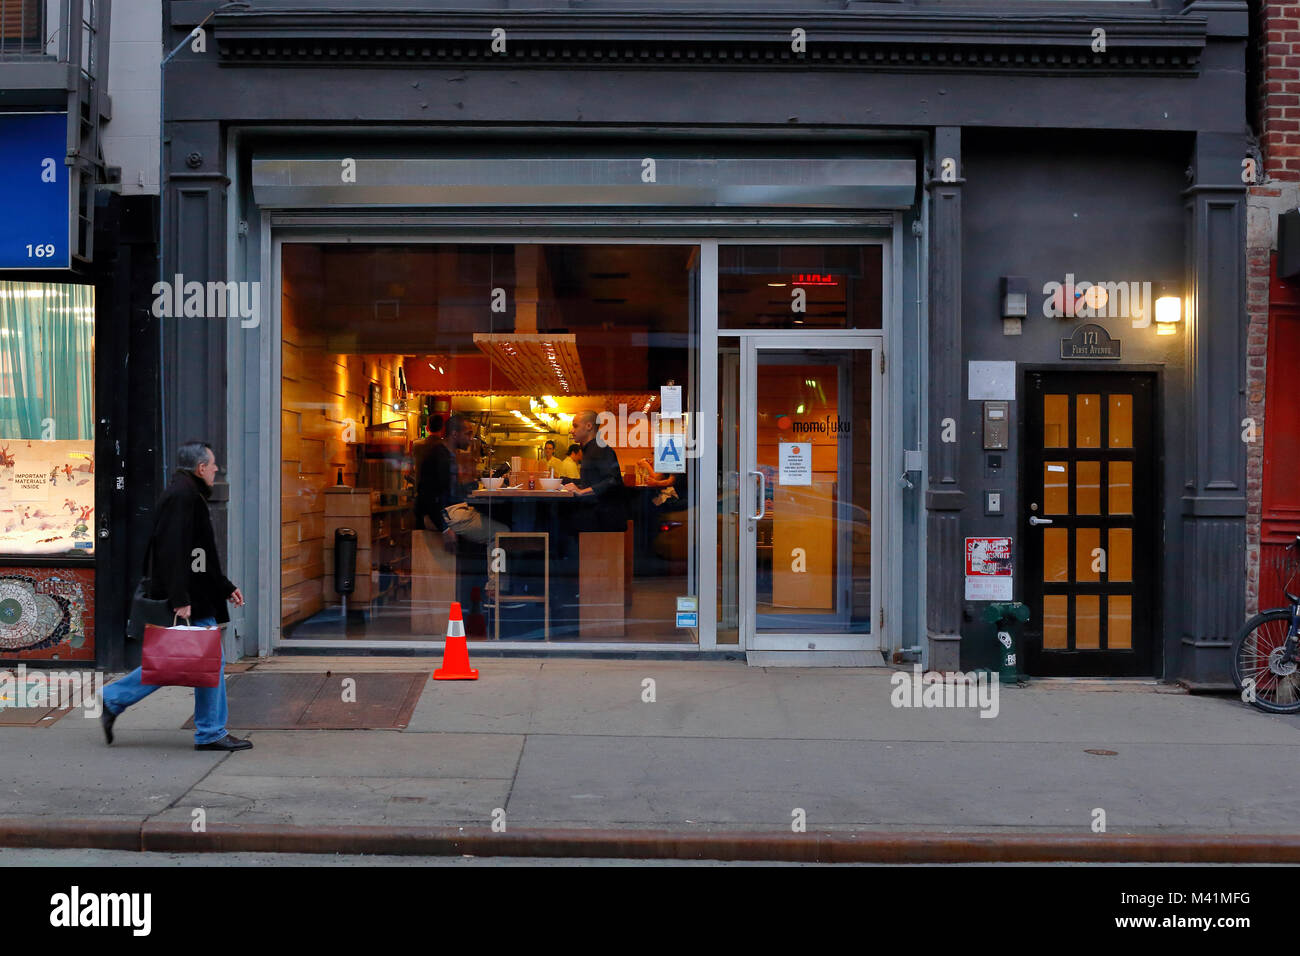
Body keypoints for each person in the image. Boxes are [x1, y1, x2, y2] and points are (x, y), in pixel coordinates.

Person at [100, 442, 251, 752]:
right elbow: (171, 551)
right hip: (191, 598)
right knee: (204, 662)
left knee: (186, 661)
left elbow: (199, 555)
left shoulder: (187, 494)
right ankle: (210, 732)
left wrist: (224, 586)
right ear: (200, 468)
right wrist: (180, 598)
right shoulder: (183, 497)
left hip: (197, 593)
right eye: (212, 465)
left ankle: (115, 698)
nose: (216, 470)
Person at [415, 414, 507, 552]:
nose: (471, 438)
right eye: (468, 434)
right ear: (454, 434)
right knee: (502, 533)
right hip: (446, 514)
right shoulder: (439, 456)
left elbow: (449, 489)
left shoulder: (449, 454)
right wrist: (445, 529)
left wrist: (472, 485)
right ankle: (495, 574)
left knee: (497, 520)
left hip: (454, 511)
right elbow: (427, 496)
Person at [567, 409, 625, 532]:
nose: (571, 430)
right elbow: (593, 480)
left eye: (575, 426)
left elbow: (613, 480)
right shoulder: (590, 449)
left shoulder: (600, 448)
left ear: (589, 426)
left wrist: (582, 492)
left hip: (603, 519)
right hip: (598, 516)